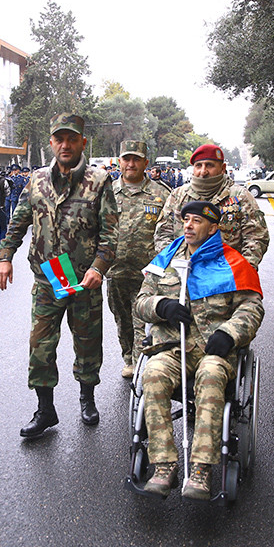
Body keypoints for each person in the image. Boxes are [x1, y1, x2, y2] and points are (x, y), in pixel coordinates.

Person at [0, 112, 118, 438]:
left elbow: (111, 236)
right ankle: (45, 409)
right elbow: (19, 221)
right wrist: (5, 257)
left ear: (82, 142)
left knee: (87, 343)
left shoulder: (99, 181)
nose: (65, 145)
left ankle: (86, 398)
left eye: (72, 139)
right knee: (40, 346)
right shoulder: (36, 180)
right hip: (48, 279)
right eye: (59, 139)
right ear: (51, 142)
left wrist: (98, 268)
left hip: (82, 280)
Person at [136, 201, 264, 500]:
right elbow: (141, 301)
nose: (188, 226)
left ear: (214, 227)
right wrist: (161, 306)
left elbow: (252, 308)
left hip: (213, 351)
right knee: (152, 374)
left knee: (210, 376)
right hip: (173, 347)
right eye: (186, 220)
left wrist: (229, 333)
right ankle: (164, 465)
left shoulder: (233, 262)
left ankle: (201, 469)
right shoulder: (165, 260)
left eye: (196, 221)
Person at [107, 140, 170, 378]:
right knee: (121, 319)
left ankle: (139, 360)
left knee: (141, 318)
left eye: (136, 159)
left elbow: (172, 232)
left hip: (148, 273)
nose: (131, 164)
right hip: (115, 270)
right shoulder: (107, 192)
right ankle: (128, 356)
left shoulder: (161, 193)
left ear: (145, 162)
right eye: (126, 159)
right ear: (119, 162)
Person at [154, 144, 269, 271]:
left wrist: (240, 269)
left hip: (227, 274)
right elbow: (162, 233)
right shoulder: (178, 195)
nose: (203, 171)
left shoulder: (241, 196)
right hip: (184, 271)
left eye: (209, 165)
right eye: (198, 166)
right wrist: (178, 264)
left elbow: (256, 237)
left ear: (222, 168)